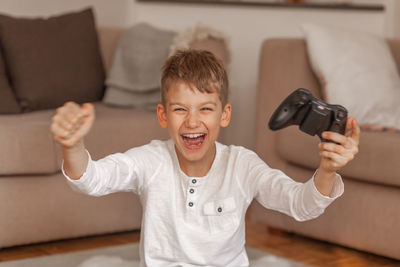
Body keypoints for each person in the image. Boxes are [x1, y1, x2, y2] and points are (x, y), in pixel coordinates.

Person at [50, 50, 360, 266]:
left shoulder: (242, 165)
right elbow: (92, 179)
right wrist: (72, 144)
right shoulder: (151, 160)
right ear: (163, 115)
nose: (193, 121)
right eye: (180, 109)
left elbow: (300, 204)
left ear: (224, 115)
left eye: (205, 109)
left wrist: (328, 169)